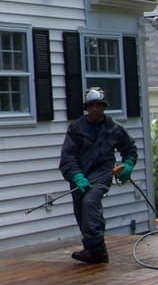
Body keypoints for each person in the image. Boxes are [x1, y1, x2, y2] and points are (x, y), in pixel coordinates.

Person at [58, 87, 138, 263]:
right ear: (87, 107)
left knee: (90, 202)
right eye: (91, 106)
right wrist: (77, 176)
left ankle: (98, 251)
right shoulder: (76, 129)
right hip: (80, 176)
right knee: (81, 212)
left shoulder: (114, 129)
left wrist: (128, 165)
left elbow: (129, 149)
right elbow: (67, 158)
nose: (95, 109)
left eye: (99, 105)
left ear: (104, 107)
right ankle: (91, 249)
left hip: (102, 174)